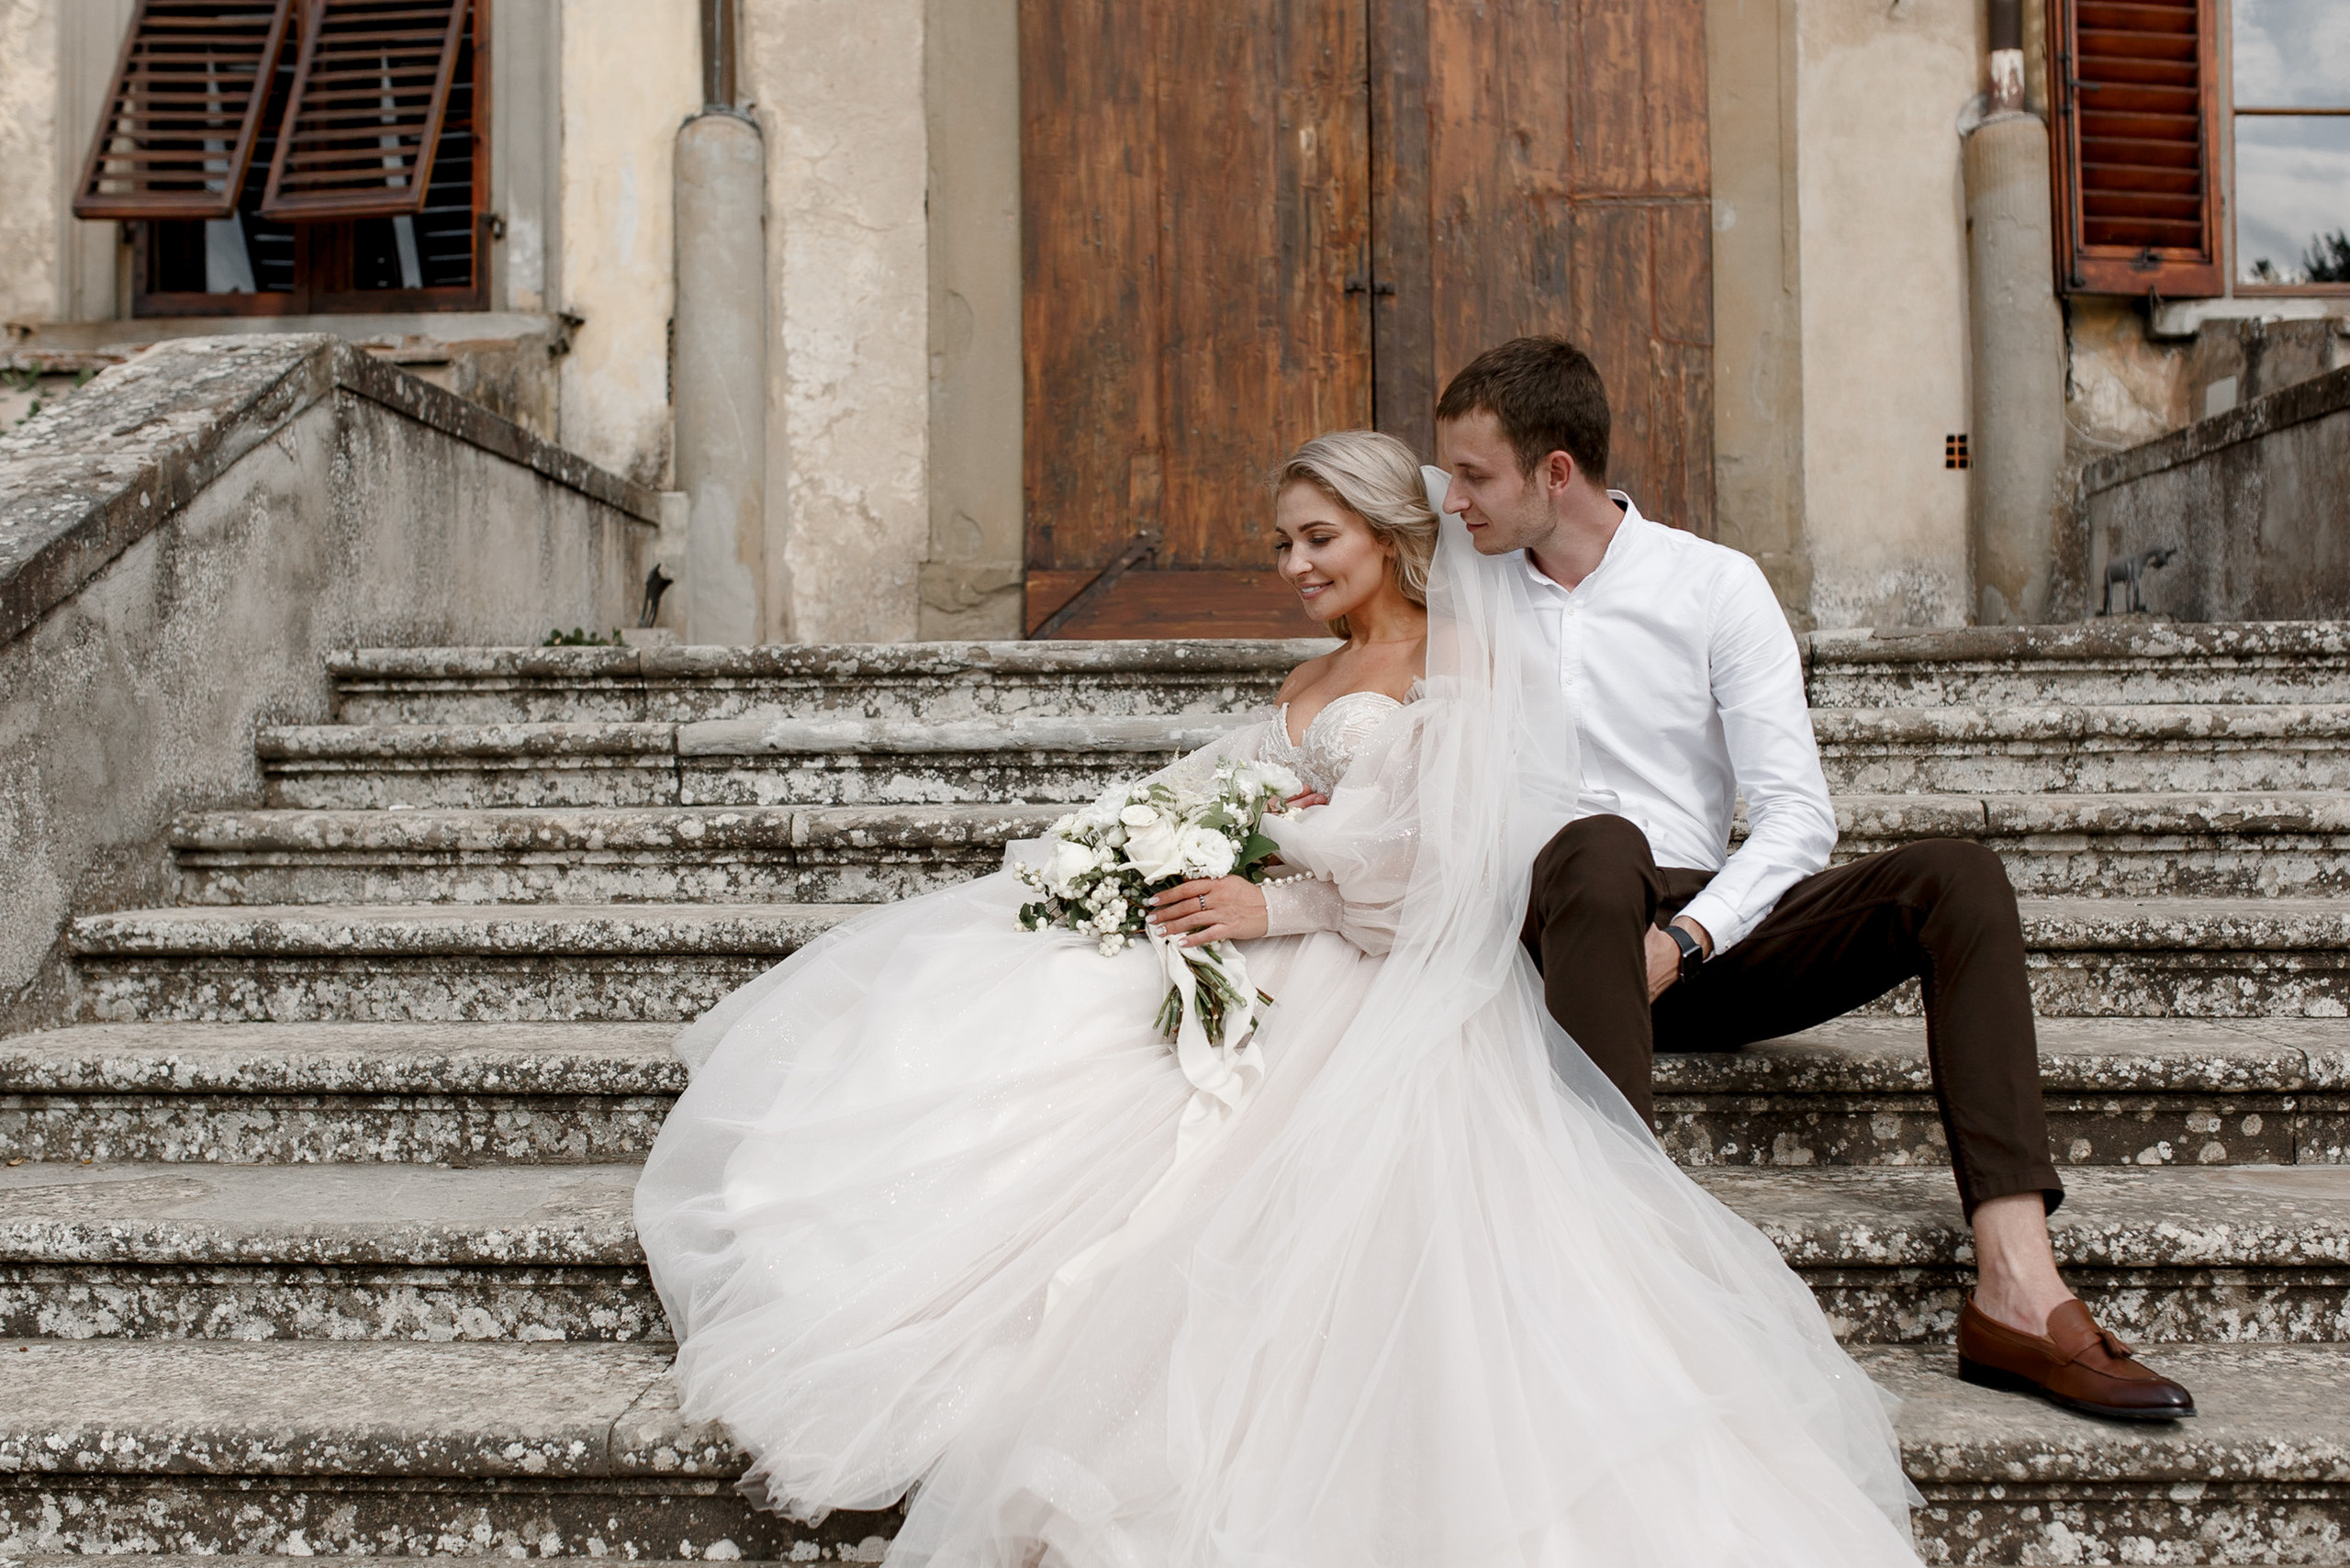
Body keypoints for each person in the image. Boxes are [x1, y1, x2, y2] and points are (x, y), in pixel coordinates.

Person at [636, 430, 1928, 1567]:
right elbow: (1255, 797)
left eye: (1320, 539)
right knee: (1010, 1007)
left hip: (1369, 972)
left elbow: (1458, 873)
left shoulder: (1460, 669)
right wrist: (1152, 851)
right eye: (1282, 542)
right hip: (1272, 929)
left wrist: (1281, 906)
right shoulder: (1312, 676)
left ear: (1391, 539)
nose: (1293, 565)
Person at [1429, 334, 2194, 1423]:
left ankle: (2018, 1285)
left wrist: (1688, 939)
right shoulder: (1466, 593)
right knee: (1595, 844)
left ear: (1557, 471)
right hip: (1550, 934)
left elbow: (1796, 818)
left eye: (1472, 474)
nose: (1450, 499)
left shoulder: (1712, 584)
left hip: (1693, 942)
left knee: (1957, 876)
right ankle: (1616, 1267)